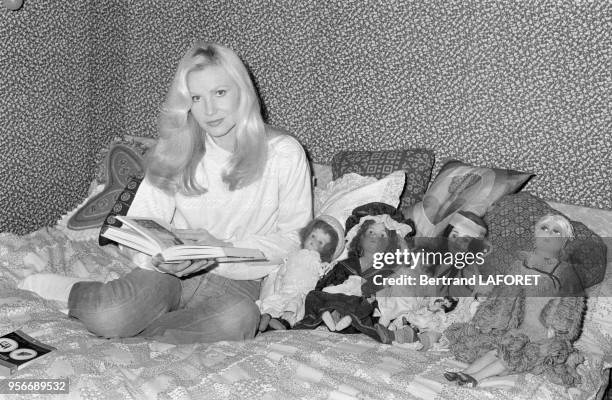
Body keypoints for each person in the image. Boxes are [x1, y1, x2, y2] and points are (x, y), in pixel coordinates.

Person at [19, 41, 312, 344]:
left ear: (243, 91)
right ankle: (81, 294)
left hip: (238, 280)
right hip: (170, 274)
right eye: (196, 98)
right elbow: (138, 224)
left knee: (240, 320)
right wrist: (157, 258)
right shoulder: (176, 149)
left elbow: (297, 241)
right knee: (111, 315)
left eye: (220, 93)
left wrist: (223, 248)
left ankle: (136, 324)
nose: (209, 110)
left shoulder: (284, 154)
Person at [443, 214, 586, 387]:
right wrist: (491, 316)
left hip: (544, 331)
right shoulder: (523, 263)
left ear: (563, 240)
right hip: (519, 326)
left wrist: (558, 328)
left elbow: (571, 304)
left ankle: (476, 378)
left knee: (516, 355)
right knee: (498, 349)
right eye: (544, 228)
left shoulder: (567, 271)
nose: (548, 234)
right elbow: (504, 292)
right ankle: (464, 373)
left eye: (556, 231)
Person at [257, 215, 345, 331]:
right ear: (307, 234)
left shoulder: (319, 263)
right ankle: (266, 317)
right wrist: (277, 289)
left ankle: (283, 322)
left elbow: (323, 279)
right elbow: (281, 273)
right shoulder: (293, 255)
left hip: (301, 293)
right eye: (313, 236)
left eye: (320, 242)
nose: (313, 242)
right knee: (274, 302)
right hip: (285, 289)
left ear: (327, 250)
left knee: (293, 308)